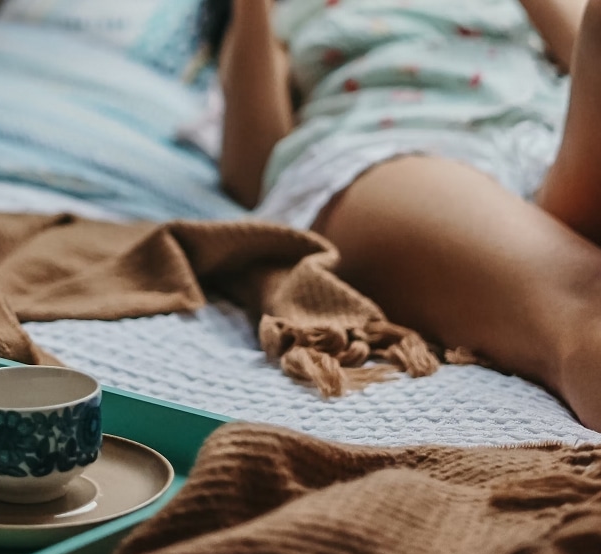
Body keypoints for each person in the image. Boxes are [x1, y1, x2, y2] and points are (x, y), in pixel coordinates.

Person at [209, 0, 601, 430]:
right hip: (395, 146)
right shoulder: (292, 11)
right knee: (585, 302)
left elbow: (578, 48)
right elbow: (249, 174)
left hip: (543, 141)